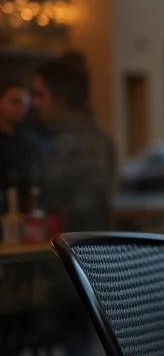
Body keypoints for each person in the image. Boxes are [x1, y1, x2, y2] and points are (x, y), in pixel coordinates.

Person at [30, 52, 116, 232]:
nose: (35, 103)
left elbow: (84, 209)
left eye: (41, 95)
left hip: (74, 249)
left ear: (61, 98)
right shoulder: (92, 136)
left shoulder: (73, 141)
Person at [0, 79, 44, 216]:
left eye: (25, 103)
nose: (21, 107)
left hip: (24, 214)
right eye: (15, 102)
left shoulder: (29, 140)